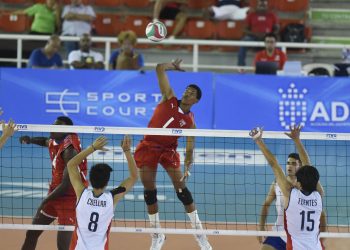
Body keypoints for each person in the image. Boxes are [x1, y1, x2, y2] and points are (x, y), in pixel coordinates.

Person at [134, 59, 212, 250]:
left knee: (181, 190)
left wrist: (187, 165)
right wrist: (172, 66)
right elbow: (159, 68)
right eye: (187, 90)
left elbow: (190, 145)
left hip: (168, 151)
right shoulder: (168, 97)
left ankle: (200, 235)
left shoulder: (190, 121)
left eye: (192, 93)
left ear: (196, 101)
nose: (187, 93)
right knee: (149, 190)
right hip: (149, 146)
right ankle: (157, 234)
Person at [250, 126, 326, 250]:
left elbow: (274, 165)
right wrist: (297, 140)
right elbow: (308, 166)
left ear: (300, 184)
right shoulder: (319, 194)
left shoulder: (290, 195)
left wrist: (258, 140)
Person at [20, 116, 88, 250]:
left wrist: (44, 201)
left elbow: (66, 185)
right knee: (32, 233)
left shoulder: (69, 151)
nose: (53, 128)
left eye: (57, 127)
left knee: (63, 246)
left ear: (66, 131)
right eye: (53, 125)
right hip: (55, 194)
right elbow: (46, 141)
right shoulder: (56, 139)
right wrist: (30, 140)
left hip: (70, 198)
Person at [67, 135, 138, 250]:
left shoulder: (82, 194)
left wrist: (93, 148)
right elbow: (134, 177)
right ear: (107, 182)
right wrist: (127, 150)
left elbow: (71, 165)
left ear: (90, 180)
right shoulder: (111, 199)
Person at [237, 0, 279, 66]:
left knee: (280, 46)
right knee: (243, 43)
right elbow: (244, 29)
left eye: (264, 5)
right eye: (260, 5)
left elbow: (277, 28)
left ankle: (280, 68)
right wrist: (255, 34)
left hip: (268, 37)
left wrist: (270, 35)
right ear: (257, 6)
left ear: (267, 6)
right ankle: (241, 67)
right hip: (253, 37)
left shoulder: (272, 15)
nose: (262, 7)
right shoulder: (251, 15)